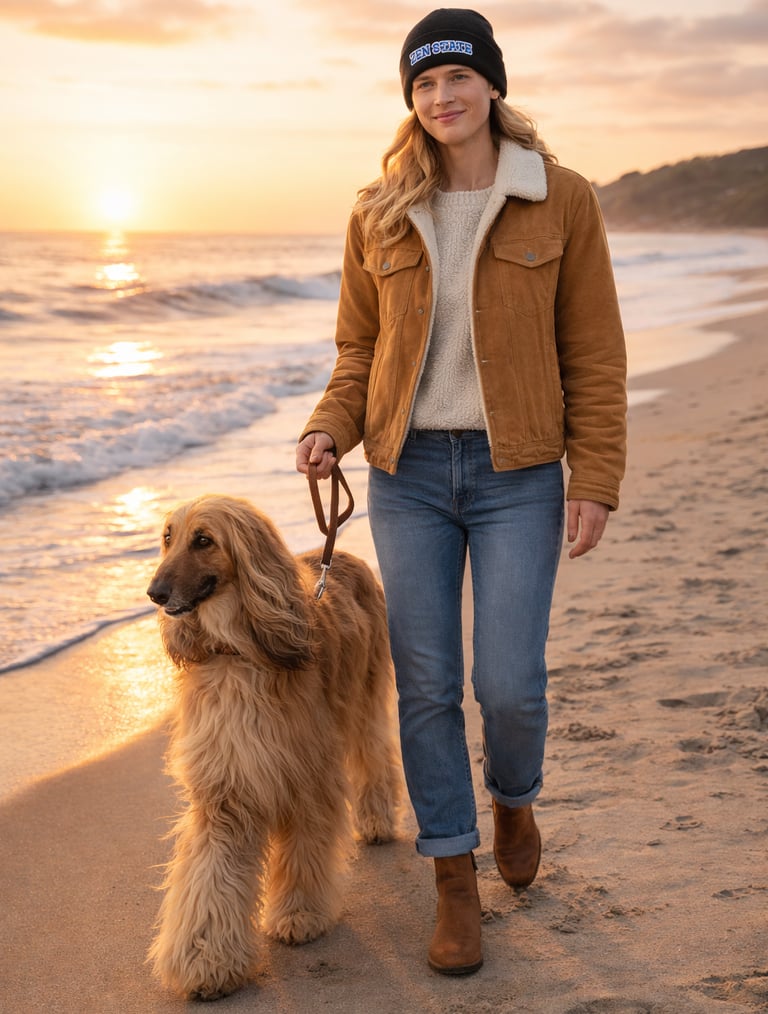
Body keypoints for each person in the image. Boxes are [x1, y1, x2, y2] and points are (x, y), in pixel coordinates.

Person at [296, 8, 626, 976]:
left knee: (509, 685)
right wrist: (329, 427)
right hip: (406, 476)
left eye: (458, 78)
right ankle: (453, 875)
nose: (442, 98)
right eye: (424, 84)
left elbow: (594, 353)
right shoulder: (378, 209)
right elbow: (358, 351)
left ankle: (513, 800)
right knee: (429, 683)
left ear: (491, 85)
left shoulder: (560, 198)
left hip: (518, 473)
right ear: (412, 98)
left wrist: (595, 477)